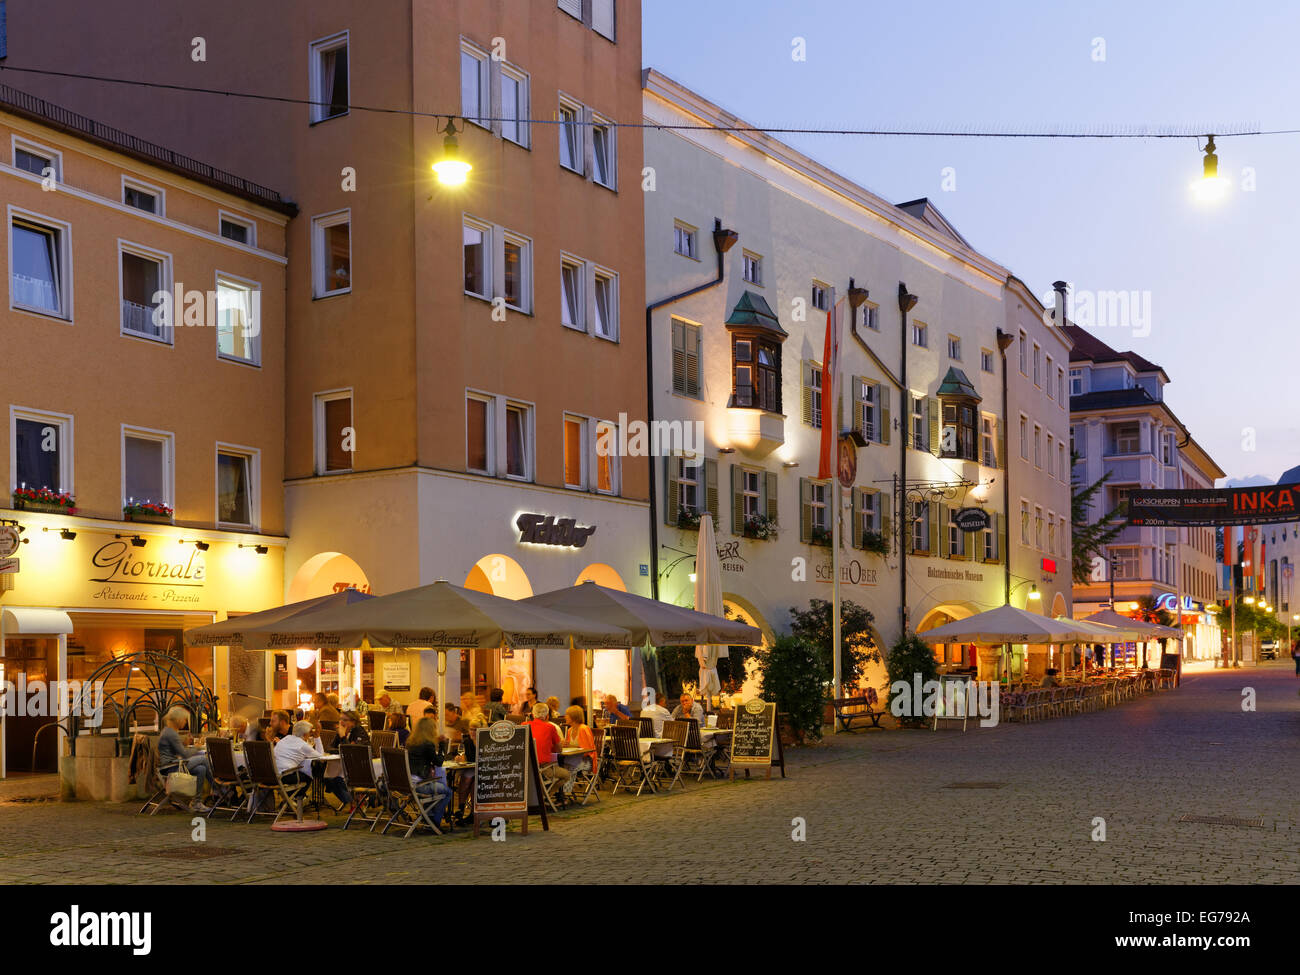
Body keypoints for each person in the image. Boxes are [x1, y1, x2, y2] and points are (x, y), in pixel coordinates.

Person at [274, 720, 351, 808]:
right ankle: (293, 797)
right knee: (309, 775)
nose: (311, 734)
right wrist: (317, 737)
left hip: (273, 774)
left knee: (305, 770)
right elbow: (320, 756)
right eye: (310, 732)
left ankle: (290, 798)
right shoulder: (302, 745)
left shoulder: (286, 738)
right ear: (304, 734)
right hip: (284, 776)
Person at [158, 706, 211, 812]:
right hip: (172, 768)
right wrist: (198, 747)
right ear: (178, 720)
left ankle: (197, 802)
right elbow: (185, 755)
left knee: (201, 769)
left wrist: (185, 744)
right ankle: (219, 788)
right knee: (204, 759)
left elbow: (178, 751)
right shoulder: (171, 733)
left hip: (171, 766)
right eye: (184, 719)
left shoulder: (167, 731)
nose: (185, 722)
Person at [406, 717, 452, 828]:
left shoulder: (410, 743)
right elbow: (439, 762)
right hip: (419, 785)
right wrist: (442, 747)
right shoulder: (427, 744)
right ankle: (435, 820)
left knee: (433, 788)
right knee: (447, 792)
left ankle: (428, 816)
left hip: (407, 783)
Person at [525, 703, 570, 791]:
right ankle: (546, 796)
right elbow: (559, 750)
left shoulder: (524, 725)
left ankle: (541, 795)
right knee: (566, 775)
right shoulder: (550, 727)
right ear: (547, 716)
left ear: (533, 715)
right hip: (543, 768)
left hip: (526, 768)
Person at [561, 705, 597, 779]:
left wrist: (572, 749)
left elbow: (587, 750)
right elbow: (569, 748)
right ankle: (564, 790)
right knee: (559, 766)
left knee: (568, 768)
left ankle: (566, 790)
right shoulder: (569, 730)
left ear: (573, 716)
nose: (565, 717)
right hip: (573, 759)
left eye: (567, 715)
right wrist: (563, 745)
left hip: (587, 761)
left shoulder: (583, 729)